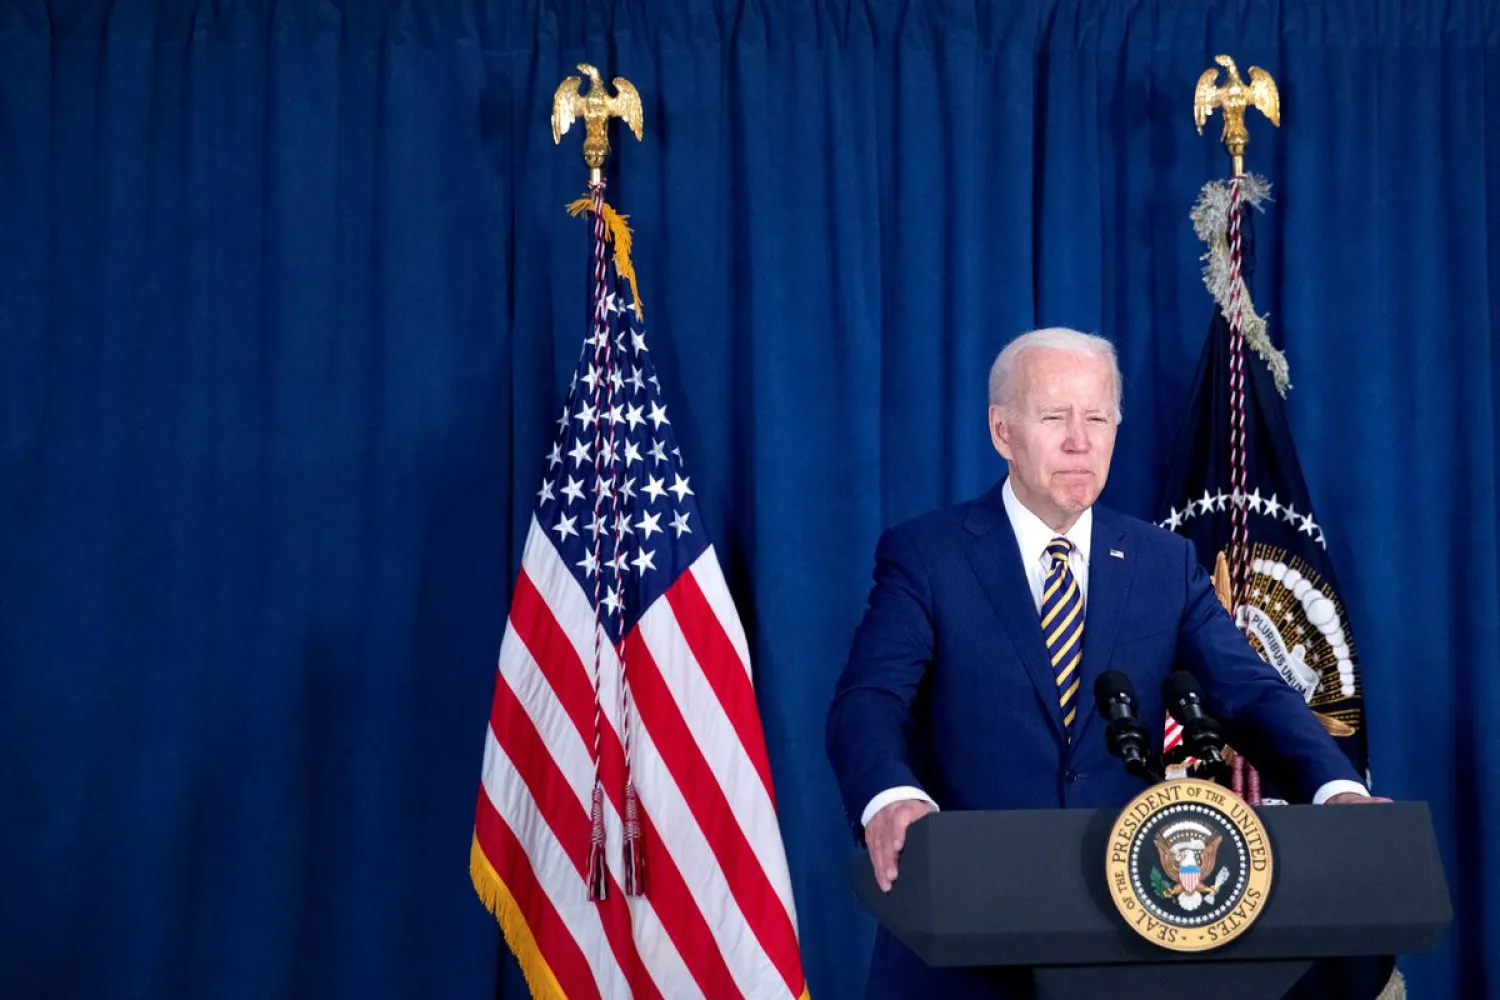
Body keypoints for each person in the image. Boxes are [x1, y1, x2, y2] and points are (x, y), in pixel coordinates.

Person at [825, 327, 1388, 999]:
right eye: (1054, 417)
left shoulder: (1163, 563)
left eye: (1097, 418)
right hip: (960, 938)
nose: (1079, 440)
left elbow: (1253, 693)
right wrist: (892, 798)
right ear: (1003, 431)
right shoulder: (928, 555)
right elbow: (869, 701)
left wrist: (1339, 790)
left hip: (1122, 936)